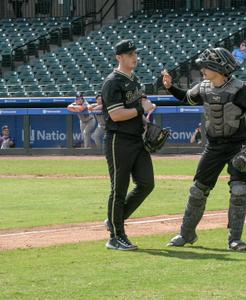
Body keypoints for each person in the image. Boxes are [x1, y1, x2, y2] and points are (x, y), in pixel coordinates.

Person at [162, 47, 246, 251]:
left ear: (218, 67)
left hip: (237, 146)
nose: (202, 69)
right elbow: (187, 98)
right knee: (197, 190)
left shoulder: (239, 89)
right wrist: (170, 87)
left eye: (205, 66)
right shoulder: (203, 87)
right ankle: (186, 234)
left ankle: (235, 239)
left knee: (239, 190)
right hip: (214, 147)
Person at [101, 39, 156, 251]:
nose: (134, 57)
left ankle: (116, 219)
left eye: (135, 53)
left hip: (136, 139)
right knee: (119, 189)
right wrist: (142, 110)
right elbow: (116, 115)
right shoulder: (112, 82)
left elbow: (137, 106)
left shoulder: (134, 80)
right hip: (118, 140)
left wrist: (145, 121)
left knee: (146, 183)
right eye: (129, 53)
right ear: (119, 57)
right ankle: (116, 236)